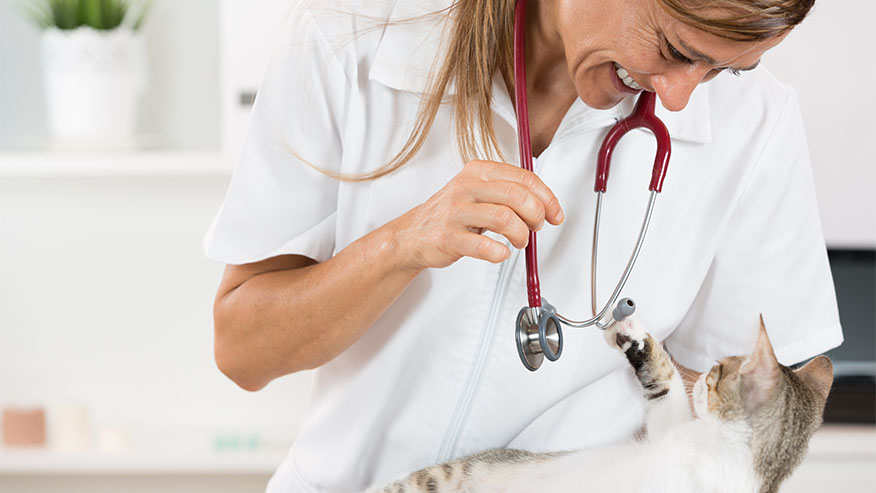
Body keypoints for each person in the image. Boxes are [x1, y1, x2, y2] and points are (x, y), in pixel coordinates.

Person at [203, 0, 842, 491]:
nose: (678, 96)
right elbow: (243, 351)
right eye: (674, 48)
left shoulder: (754, 124)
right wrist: (402, 243)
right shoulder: (358, 31)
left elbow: (743, 436)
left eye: (726, 69)